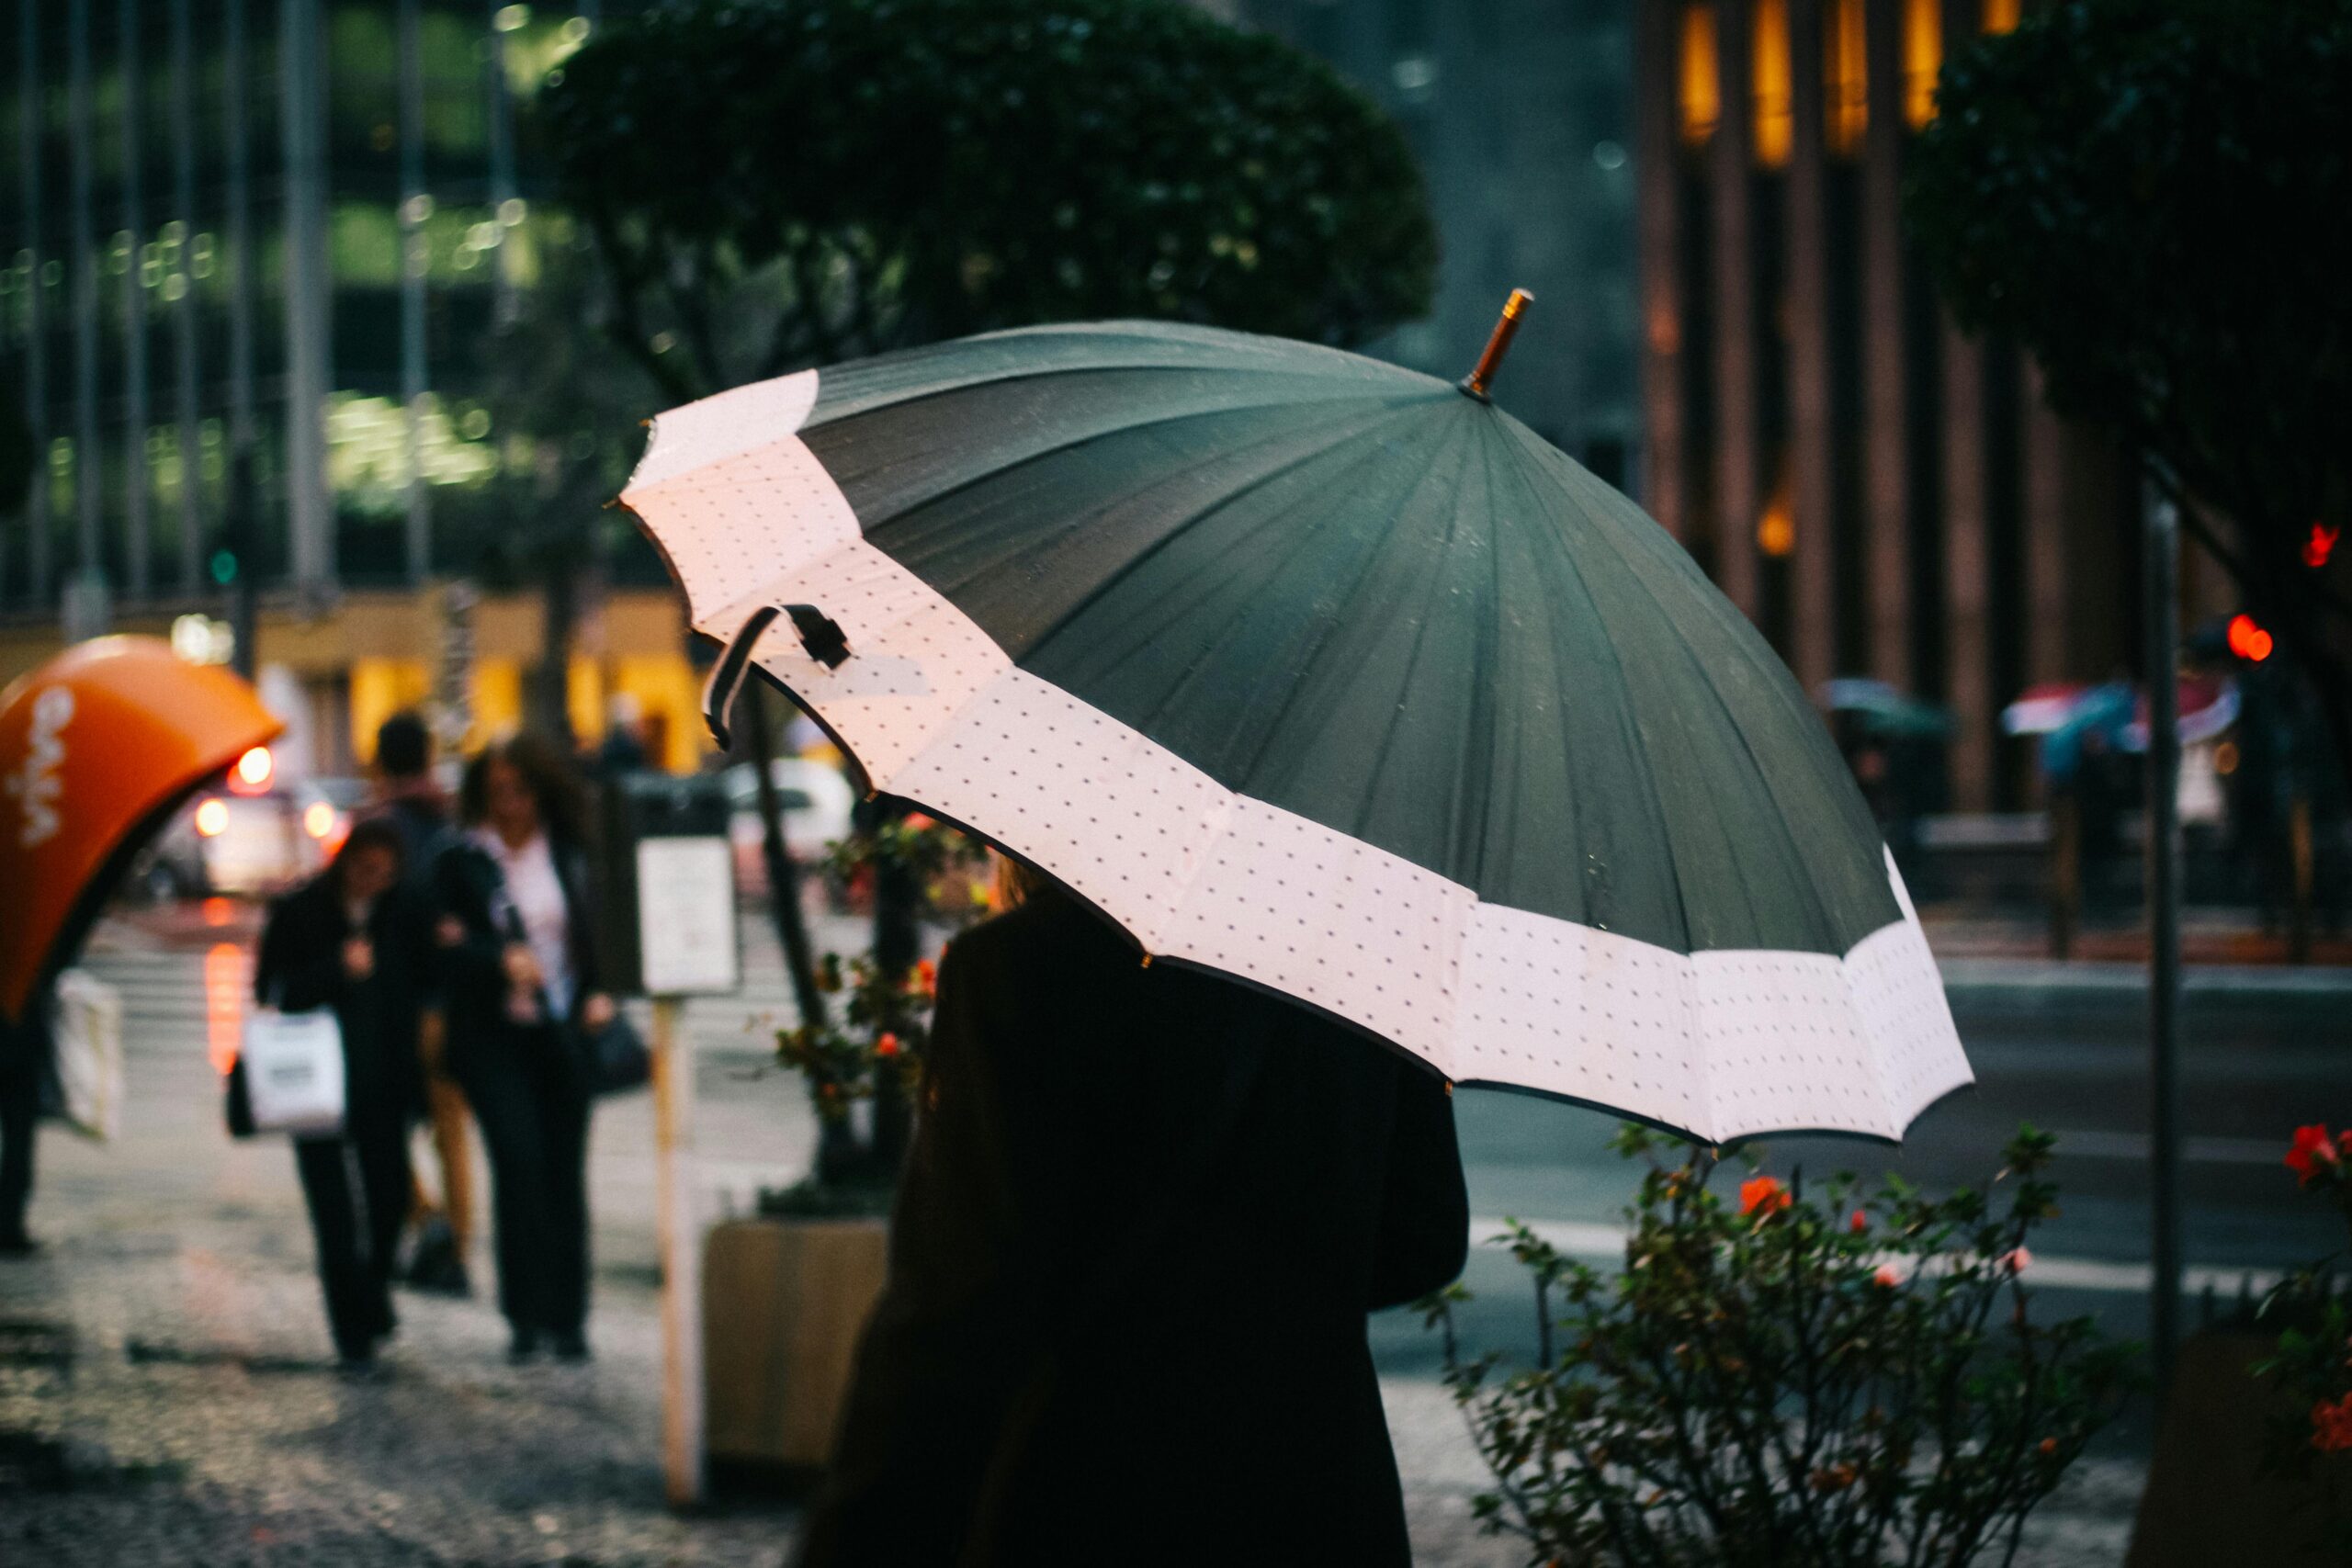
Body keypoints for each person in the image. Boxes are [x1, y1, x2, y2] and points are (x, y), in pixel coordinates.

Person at [797, 861, 1469, 1568]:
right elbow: (1424, 1238)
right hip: (1313, 1499)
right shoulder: (1366, 976)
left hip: (1088, 1497)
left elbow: (956, 1313)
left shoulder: (1019, 965)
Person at [434, 734, 611, 1364]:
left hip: (562, 1030)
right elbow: (441, 946)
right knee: (518, 1163)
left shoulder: (566, 851)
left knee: (564, 1171)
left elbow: (598, 931)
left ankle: (569, 1317)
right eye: (497, 791)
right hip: (493, 1038)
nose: (509, 804)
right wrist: (493, 958)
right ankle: (524, 1315)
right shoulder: (464, 858)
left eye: (520, 790)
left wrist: (600, 991)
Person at [254, 818, 425, 1373]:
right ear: (346, 861)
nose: (373, 880)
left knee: (389, 1198)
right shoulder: (302, 909)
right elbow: (270, 989)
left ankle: (372, 1295)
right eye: (364, 868)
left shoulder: (400, 915)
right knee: (334, 1214)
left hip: (383, 1082)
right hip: (315, 1083)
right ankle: (352, 1333)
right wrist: (335, 971)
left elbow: (416, 994)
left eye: (384, 871)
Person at [372, 709, 474, 1297]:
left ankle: (428, 1220)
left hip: (398, 1005)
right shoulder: (449, 823)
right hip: (450, 1002)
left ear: (381, 762)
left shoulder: (379, 831)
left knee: (381, 1125)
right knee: (450, 1132)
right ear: (428, 758)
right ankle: (456, 1250)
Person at [0, 985, 52, 1257]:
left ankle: (10, 1223)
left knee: (19, 1141)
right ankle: (9, 1224)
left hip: (20, 1048)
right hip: (20, 1048)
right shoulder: (26, 957)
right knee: (19, 1139)